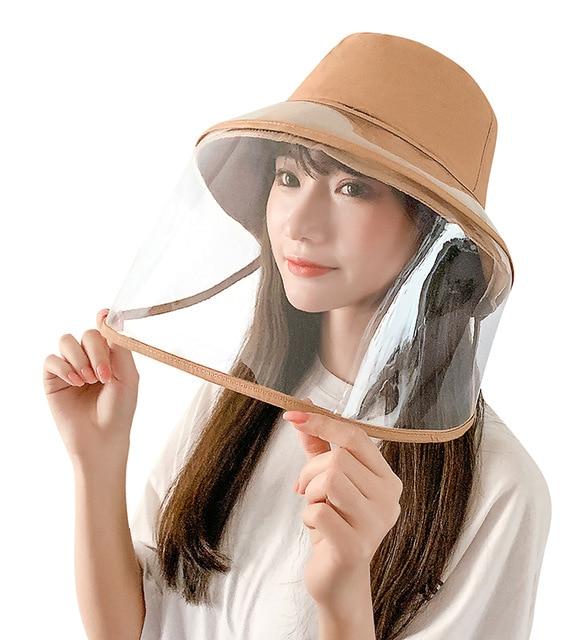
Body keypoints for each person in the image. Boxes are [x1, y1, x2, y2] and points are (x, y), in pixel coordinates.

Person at [43, 32, 552, 640]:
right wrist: (96, 462)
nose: (299, 224)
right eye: (289, 177)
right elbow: (137, 629)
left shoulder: (499, 488)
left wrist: (343, 593)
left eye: (352, 187)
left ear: (432, 231)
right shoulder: (237, 398)